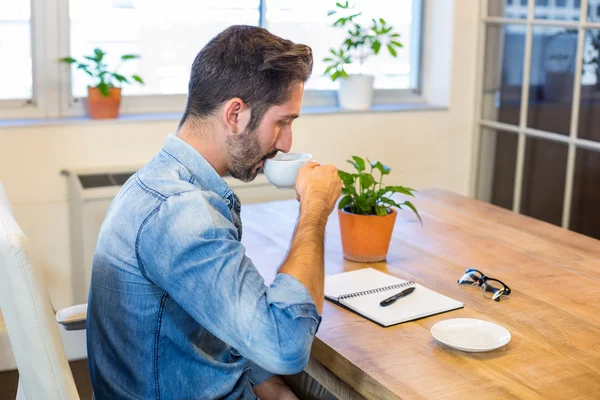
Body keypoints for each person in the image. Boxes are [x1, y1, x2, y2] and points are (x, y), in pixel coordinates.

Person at [86, 24, 343, 399]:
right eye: (283, 122)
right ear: (235, 114)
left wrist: (261, 381)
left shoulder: (160, 183)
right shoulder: (181, 213)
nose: (287, 143)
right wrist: (315, 207)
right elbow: (286, 348)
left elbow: (212, 307)